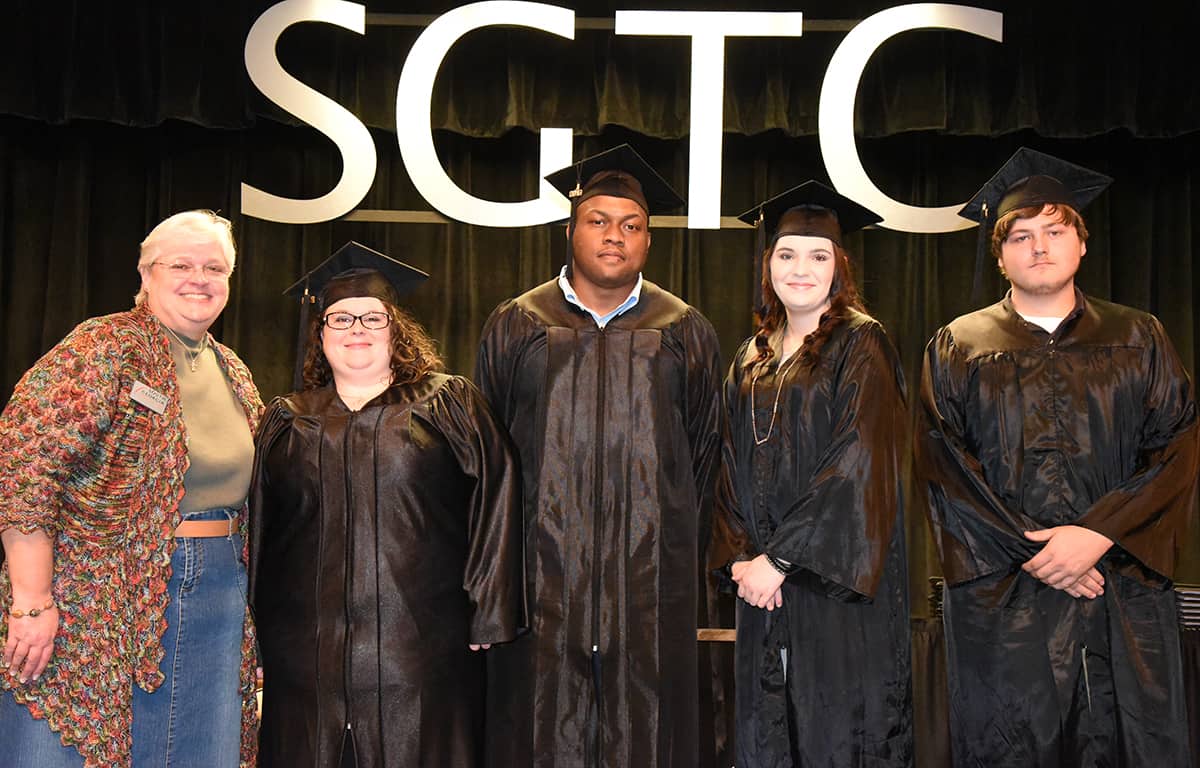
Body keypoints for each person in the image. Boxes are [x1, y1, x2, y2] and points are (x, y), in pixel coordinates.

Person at [915, 148, 1199, 767]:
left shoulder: (1138, 336)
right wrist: (1040, 552)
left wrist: (1096, 535)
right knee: (1008, 742)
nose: (1038, 246)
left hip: (1119, 583)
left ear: (1081, 244)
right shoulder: (960, 345)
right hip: (1004, 591)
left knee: (1130, 740)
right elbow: (945, 468)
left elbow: (1175, 449)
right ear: (1001, 255)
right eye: (1021, 235)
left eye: (1054, 230)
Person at [474, 145, 723, 768]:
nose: (615, 237)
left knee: (649, 731)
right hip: (542, 577)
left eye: (631, 225)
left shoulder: (684, 327)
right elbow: (489, 458)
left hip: (649, 579)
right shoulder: (518, 322)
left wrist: (667, 543)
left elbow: (704, 454)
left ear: (648, 239)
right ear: (570, 229)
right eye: (599, 221)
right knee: (537, 729)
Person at [0, 210, 263, 768]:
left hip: (216, 592)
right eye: (181, 264)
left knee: (195, 750)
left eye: (214, 266)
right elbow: (25, 466)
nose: (200, 277)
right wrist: (30, 600)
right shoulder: (104, 346)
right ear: (146, 275)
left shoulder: (233, 369)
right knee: (67, 746)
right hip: (96, 597)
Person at [249, 241, 524, 768]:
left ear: (396, 329)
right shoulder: (287, 420)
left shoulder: (448, 404)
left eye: (373, 317)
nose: (357, 329)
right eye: (341, 318)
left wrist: (489, 610)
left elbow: (499, 496)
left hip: (422, 647)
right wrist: (257, 632)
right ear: (320, 333)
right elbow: (261, 531)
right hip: (307, 652)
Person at [717, 182, 913, 767]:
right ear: (767, 265)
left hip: (835, 581)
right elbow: (725, 463)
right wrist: (740, 561)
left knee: (840, 732)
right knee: (767, 734)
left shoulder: (862, 343)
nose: (801, 268)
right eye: (786, 254)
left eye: (818, 255)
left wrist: (780, 560)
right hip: (760, 585)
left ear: (839, 267)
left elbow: (860, 459)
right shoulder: (751, 354)